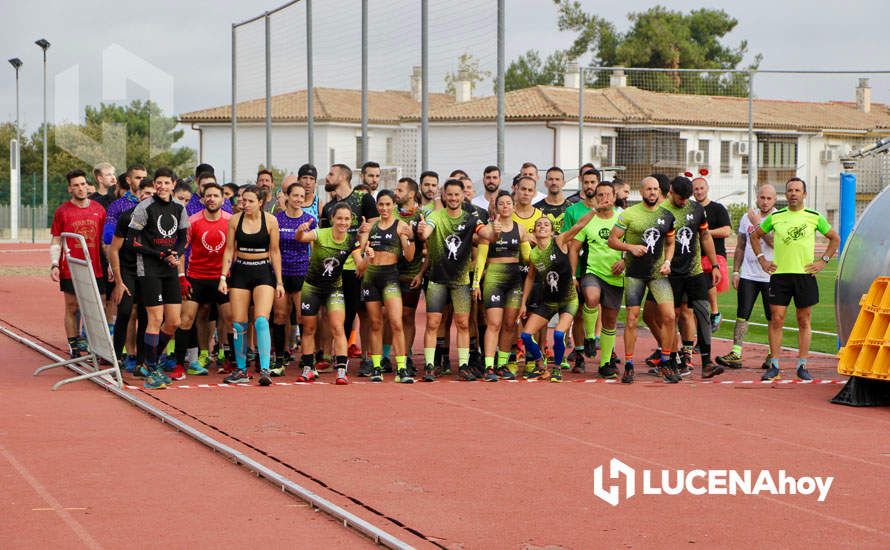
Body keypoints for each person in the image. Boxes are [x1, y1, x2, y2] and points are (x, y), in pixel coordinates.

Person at [749, 177, 840, 381]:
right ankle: (774, 365)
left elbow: (835, 238)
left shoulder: (814, 217)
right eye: (790, 190)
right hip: (780, 275)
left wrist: (823, 261)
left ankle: (802, 365)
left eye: (797, 190)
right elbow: (754, 236)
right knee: (777, 319)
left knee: (803, 319)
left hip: (805, 275)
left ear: (804, 194)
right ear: (786, 194)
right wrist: (762, 260)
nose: (793, 193)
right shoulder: (777, 216)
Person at [417, 179, 499, 381]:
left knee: (463, 323)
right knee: (433, 322)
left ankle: (463, 365)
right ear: (444, 196)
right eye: (450, 195)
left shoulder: (471, 218)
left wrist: (495, 227)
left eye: (457, 195)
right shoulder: (435, 216)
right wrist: (422, 230)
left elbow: (487, 235)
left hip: (461, 280)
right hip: (437, 279)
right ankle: (430, 365)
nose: (453, 198)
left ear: (463, 196)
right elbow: (426, 231)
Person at [608, 176, 678, 384]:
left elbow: (671, 243)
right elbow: (612, 240)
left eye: (656, 189)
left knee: (670, 316)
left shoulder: (667, 216)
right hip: (635, 274)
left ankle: (665, 362)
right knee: (632, 319)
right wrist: (630, 248)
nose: (653, 192)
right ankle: (629, 365)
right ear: (641, 191)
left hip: (658, 274)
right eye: (649, 189)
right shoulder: (629, 215)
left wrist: (668, 262)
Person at [128, 167, 189, 390]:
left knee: (173, 321)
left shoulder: (179, 207)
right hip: (149, 269)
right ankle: (152, 369)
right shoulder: (145, 207)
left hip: (170, 269)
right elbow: (132, 241)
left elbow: (183, 238)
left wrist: (177, 254)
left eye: (166, 183)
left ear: (174, 184)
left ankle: (150, 361)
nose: (162, 187)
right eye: (158, 183)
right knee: (155, 318)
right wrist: (160, 254)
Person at [518, 209, 597, 382]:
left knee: (559, 335)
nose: (542, 226)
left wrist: (595, 210)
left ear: (552, 230)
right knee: (525, 335)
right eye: (539, 224)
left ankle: (557, 368)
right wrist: (523, 303)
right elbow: (530, 277)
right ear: (534, 231)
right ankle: (540, 365)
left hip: (568, 299)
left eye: (546, 224)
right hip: (548, 301)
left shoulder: (559, 241)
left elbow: (579, 226)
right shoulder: (534, 254)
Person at [218, 185, 285, 386]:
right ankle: (240, 370)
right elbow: (229, 250)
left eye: (249, 201)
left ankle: (265, 368)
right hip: (241, 271)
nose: (244, 204)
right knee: (238, 323)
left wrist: (279, 282)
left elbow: (275, 252)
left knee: (262, 320)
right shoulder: (234, 220)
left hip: (263, 271)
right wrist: (223, 277)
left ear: (260, 202)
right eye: (242, 200)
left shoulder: (271, 220)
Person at [659, 176, 724, 379]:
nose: (684, 201)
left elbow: (705, 237)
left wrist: (714, 265)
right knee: (671, 317)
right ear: (671, 191)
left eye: (687, 197)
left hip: (694, 271)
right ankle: (670, 361)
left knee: (703, 312)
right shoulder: (661, 211)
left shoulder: (696, 209)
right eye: (680, 198)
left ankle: (706, 362)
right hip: (670, 273)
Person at [294, 203, 365, 384]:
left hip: (334, 288)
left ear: (351, 221)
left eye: (347, 219)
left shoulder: (352, 240)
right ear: (332, 219)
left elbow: (361, 267)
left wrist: (369, 257)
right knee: (309, 328)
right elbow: (301, 238)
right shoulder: (321, 233)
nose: (343, 222)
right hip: (312, 287)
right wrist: (301, 231)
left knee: (337, 327)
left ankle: (341, 370)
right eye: (339, 218)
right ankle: (308, 368)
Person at [319, 164, 379, 374]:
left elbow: (377, 224)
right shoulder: (328, 208)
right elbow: (326, 237)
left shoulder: (364, 199)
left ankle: (366, 359)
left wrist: (365, 234)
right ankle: (332, 356)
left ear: (344, 177)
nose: (327, 177)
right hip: (337, 267)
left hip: (362, 265)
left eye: (331, 174)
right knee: (334, 312)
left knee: (364, 312)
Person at [717, 184, 778, 370]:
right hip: (749, 274)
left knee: (773, 316)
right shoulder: (746, 217)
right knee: (742, 314)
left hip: (771, 275)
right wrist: (736, 271)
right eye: (762, 197)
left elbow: (774, 243)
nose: (765, 201)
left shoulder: (778, 218)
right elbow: (741, 245)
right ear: (757, 198)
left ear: (775, 200)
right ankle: (736, 353)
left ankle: (772, 354)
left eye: (769, 198)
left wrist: (758, 223)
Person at [175, 182, 231, 380]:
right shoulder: (192, 221)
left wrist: (227, 275)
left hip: (222, 278)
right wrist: (182, 277)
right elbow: (180, 251)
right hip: (196, 277)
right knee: (186, 319)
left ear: (223, 200)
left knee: (230, 319)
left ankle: (231, 362)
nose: (212, 199)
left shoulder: (230, 221)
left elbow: (234, 250)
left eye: (216, 196)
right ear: (202, 199)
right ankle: (180, 365)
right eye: (208, 195)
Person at [358, 190, 416, 383]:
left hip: (390, 276)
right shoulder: (370, 227)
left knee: (396, 322)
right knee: (375, 323)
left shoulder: (401, 226)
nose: (384, 208)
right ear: (377, 206)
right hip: (371, 277)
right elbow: (361, 262)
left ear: (393, 206)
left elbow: (409, 256)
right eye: (381, 204)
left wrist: (411, 238)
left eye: (388, 204)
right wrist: (366, 253)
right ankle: (376, 367)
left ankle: (401, 369)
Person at [50, 169, 109, 358]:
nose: (81, 188)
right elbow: (56, 240)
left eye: (83, 184)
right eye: (76, 185)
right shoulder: (62, 211)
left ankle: (96, 345)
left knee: (97, 306)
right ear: (70, 189)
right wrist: (54, 264)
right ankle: (74, 346)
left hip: (96, 267)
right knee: (72, 306)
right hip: (71, 267)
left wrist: (109, 265)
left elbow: (103, 241)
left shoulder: (99, 210)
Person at [474, 191, 532, 381]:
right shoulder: (488, 231)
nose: (505, 206)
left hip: (514, 280)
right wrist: (476, 283)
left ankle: (502, 365)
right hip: (494, 278)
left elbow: (528, 258)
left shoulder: (521, 229)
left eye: (509, 203)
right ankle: (489, 366)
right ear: (495, 208)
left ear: (514, 207)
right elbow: (481, 259)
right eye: (501, 204)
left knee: (509, 324)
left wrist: (543, 244)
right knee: (494, 323)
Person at [570, 181, 624, 379]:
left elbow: (633, 245)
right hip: (592, 272)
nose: (604, 198)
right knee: (591, 298)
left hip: (615, 276)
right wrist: (573, 274)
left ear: (614, 196)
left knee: (610, 321)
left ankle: (605, 364)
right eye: (600, 195)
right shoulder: (589, 220)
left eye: (608, 194)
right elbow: (574, 248)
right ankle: (591, 337)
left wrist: (624, 262)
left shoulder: (622, 219)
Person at [109, 179, 155, 371]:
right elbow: (113, 250)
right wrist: (119, 281)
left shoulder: (160, 219)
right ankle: (116, 356)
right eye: (145, 194)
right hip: (128, 271)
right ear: (138, 195)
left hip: (149, 272)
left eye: (153, 194)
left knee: (146, 315)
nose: (148, 198)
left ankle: (141, 362)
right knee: (125, 311)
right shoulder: (127, 218)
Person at [271, 180, 316, 376]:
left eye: (301, 196)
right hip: (280, 274)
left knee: (303, 318)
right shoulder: (277, 219)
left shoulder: (310, 219)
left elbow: (314, 251)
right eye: (295, 195)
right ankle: (279, 360)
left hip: (302, 274)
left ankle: (308, 362)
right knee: (280, 316)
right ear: (287, 197)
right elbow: (273, 249)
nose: (298, 199)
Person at [564, 168, 601, 371]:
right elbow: (568, 242)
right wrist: (571, 274)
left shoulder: (607, 211)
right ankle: (579, 354)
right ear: (581, 183)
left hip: (600, 269)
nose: (589, 186)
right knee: (577, 313)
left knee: (603, 310)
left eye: (593, 182)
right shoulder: (572, 211)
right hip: (579, 269)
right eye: (586, 182)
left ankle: (604, 349)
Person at [394, 177, 425, 375]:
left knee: (406, 316)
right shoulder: (391, 213)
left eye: (400, 189)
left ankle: (405, 357)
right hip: (389, 273)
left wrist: (421, 273)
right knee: (388, 318)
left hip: (411, 274)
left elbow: (431, 249)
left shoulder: (422, 216)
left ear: (411, 194)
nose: (395, 192)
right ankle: (385, 357)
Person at [692, 174, 731, 332]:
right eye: (696, 189)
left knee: (707, 278)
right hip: (694, 256)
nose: (699, 191)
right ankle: (699, 338)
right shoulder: (691, 210)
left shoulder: (717, 208)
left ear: (707, 189)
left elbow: (727, 231)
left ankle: (715, 312)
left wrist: (705, 233)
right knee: (695, 302)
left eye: (701, 188)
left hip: (714, 256)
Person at [534, 166, 571, 233]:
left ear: (564, 183)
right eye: (550, 179)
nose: (554, 182)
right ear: (545, 183)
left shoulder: (572, 208)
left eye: (557, 179)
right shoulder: (536, 209)